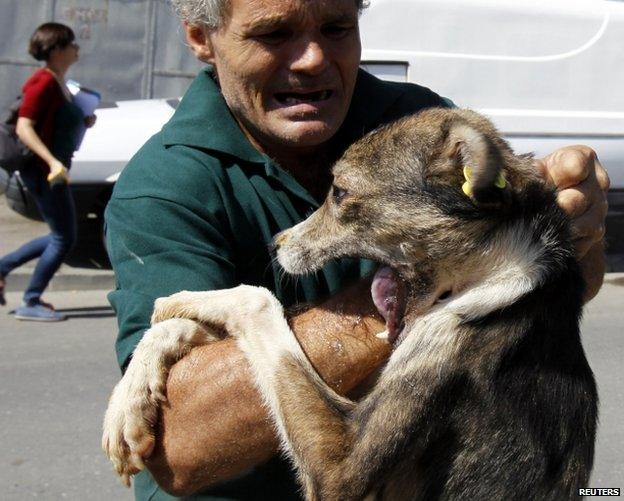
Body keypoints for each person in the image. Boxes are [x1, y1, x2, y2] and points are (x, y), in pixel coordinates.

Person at [104, 0, 610, 499]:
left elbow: (563, 290)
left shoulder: (416, 122)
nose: (312, 59)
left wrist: (577, 227)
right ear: (200, 37)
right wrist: (428, 283)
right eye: (274, 34)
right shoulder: (162, 188)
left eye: (337, 26)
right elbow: (177, 450)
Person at [0, 22, 96, 321]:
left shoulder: (58, 81)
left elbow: (54, 124)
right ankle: (30, 299)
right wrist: (52, 162)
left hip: (52, 170)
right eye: (71, 44)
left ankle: (4, 268)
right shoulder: (41, 82)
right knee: (64, 238)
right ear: (56, 50)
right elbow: (24, 127)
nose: (76, 49)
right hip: (44, 172)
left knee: (63, 236)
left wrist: (83, 121)